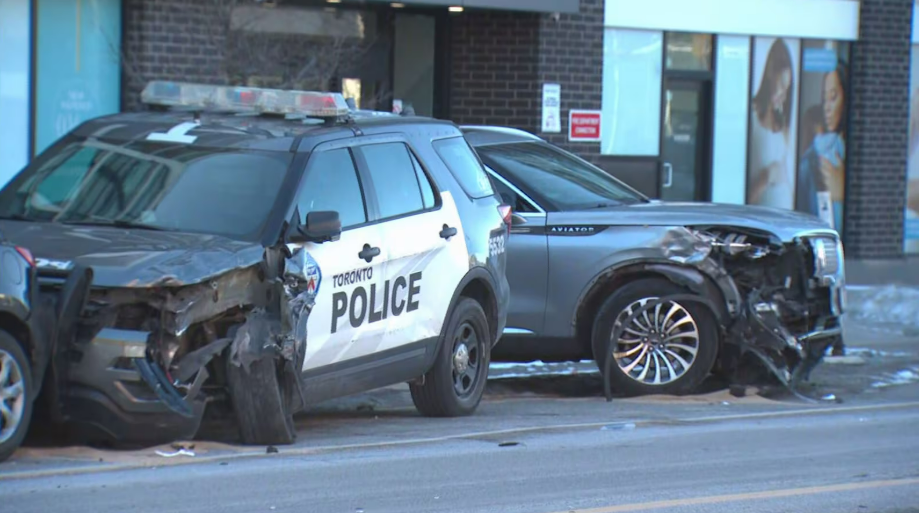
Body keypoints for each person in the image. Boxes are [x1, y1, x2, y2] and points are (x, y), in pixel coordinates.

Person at [796, 61, 848, 229]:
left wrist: (842, 191)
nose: (827, 108)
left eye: (833, 97)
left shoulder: (838, 149)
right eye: (824, 99)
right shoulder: (815, 156)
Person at [748, 39, 796, 209]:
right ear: (770, 72)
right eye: (781, 85)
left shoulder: (782, 128)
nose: (783, 95)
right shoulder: (750, 120)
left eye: (787, 89)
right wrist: (767, 177)